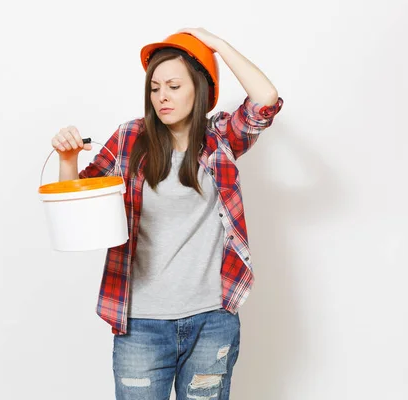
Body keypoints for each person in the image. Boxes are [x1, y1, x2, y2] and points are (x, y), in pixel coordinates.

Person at [50, 27, 283, 400]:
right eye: (155, 88)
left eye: (174, 86)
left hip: (212, 319)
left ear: (200, 88)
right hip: (140, 323)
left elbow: (266, 99)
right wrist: (67, 160)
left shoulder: (220, 138)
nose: (162, 97)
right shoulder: (130, 138)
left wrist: (218, 46)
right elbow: (77, 206)